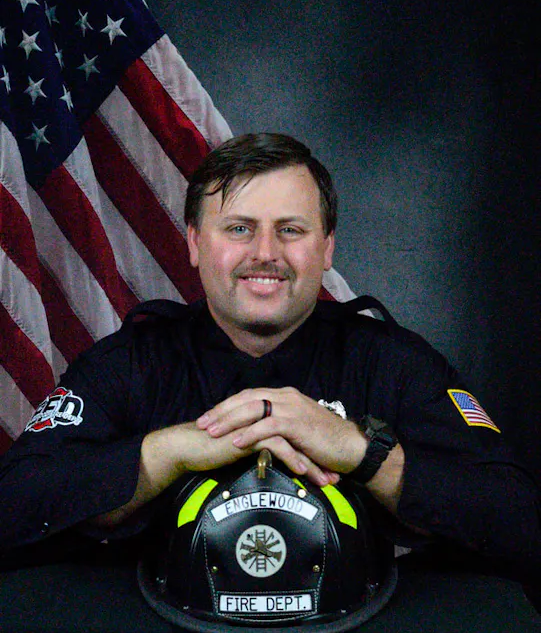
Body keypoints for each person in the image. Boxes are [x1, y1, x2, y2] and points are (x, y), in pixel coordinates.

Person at [0, 133, 539, 581]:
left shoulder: (391, 362)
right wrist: (169, 451)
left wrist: (362, 452)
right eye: (239, 228)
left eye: (291, 230)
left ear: (326, 247)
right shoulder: (133, 362)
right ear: (193, 243)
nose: (265, 253)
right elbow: (13, 506)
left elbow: (520, 521)